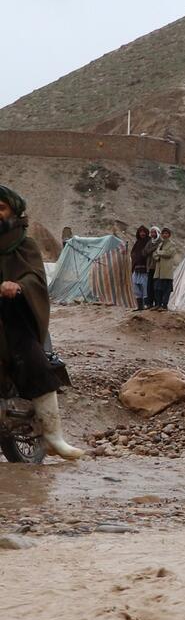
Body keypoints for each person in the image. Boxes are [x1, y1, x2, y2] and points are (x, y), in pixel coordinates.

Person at [0, 184, 85, 460]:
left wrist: (18, 286)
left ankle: (52, 436)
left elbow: (36, 278)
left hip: (14, 318)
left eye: (1, 209)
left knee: (35, 363)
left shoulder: (25, 244)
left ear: (14, 212)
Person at [151, 228, 176, 309]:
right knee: (157, 288)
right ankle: (158, 304)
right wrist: (157, 256)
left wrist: (159, 253)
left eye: (166, 233)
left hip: (166, 271)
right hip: (158, 270)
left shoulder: (172, 244)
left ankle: (164, 305)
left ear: (169, 235)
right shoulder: (160, 244)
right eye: (163, 233)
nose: (165, 235)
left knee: (166, 289)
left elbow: (169, 253)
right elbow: (154, 255)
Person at [130, 226, 151, 310]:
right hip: (136, 268)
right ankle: (140, 306)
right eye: (140, 232)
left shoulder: (149, 242)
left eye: (144, 232)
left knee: (145, 287)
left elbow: (147, 253)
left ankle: (146, 305)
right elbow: (133, 254)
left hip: (145, 269)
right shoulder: (137, 243)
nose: (142, 233)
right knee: (136, 287)